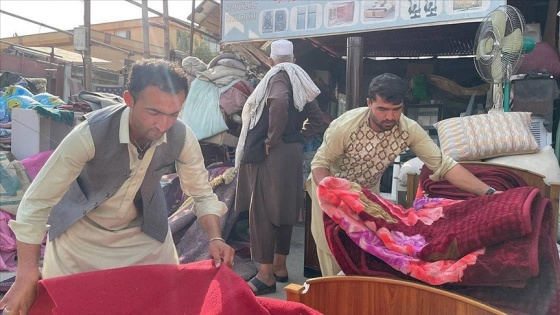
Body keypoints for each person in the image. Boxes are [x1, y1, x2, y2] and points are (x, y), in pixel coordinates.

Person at [0, 58, 235, 314]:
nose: (163, 125)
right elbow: (37, 201)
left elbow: (201, 192)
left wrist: (215, 237)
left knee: (163, 302)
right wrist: (26, 274)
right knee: (73, 305)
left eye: (173, 114)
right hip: (80, 238)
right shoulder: (90, 133)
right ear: (129, 99)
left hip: (144, 236)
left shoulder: (181, 136)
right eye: (154, 112)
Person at [309, 73, 501, 276]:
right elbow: (320, 164)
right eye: (382, 109)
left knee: (365, 252)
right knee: (333, 247)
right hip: (329, 191)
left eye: (396, 110)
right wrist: (334, 193)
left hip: (366, 194)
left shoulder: (409, 129)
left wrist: (488, 192)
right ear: (369, 103)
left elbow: (443, 164)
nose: (390, 117)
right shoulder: (345, 126)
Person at [235, 39, 323, 295]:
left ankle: (265, 276)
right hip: (291, 153)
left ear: (271, 60)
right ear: (293, 59)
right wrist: (297, 137)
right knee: (284, 209)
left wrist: (272, 139)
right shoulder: (300, 80)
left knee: (262, 212)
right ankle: (280, 267)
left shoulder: (277, 76)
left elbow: (279, 102)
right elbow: (316, 118)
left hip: (271, 154)